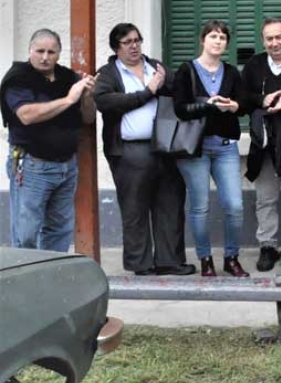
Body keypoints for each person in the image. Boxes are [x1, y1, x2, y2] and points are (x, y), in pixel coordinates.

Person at [93, 23, 193, 275]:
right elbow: (105, 101)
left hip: (164, 146)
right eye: (127, 42)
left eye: (137, 40)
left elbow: (179, 93)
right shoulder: (108, 73)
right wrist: (148, 92)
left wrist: (170, 85)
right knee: (135, 208)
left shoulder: (155, 67)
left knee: (171, 203)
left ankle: (169, 261)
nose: (134, 45)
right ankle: (141, 264)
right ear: (116, 47)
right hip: (129, 151)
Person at [1, 29, 95, 251]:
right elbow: (27, 115)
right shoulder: (18, 78)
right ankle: (24, 281)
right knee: (26, 234)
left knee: (60, 230)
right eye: (40, 51)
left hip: (66, 166)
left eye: (51, 52)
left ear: (59, 54)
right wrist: (69, 99)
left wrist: (88, 98)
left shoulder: (68, 77)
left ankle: (52, 278)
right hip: (32, 165)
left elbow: (88, 118)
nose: (45, 57)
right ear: (29, 51)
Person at [173, 20, 248, 278]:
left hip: (226, 147)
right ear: (203, 40)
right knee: (200, 207)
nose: (218, 41)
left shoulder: (231, 72)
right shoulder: (187, 70)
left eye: (223, 37)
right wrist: (209, 104)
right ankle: (205, 259)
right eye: (213, 36)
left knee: (235, 206)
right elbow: (180, 108)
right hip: (196, 148)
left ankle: (231, 257)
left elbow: (244, 104)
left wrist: (234, 107)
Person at [241, 18, 281, 272]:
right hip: (265, 143)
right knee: (266, 198)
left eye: (279, 37)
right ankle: (268, 246)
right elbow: (243, 99)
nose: (275, 43)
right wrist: (262, 99)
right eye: (269, 38)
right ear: (263, 41)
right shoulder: (254, 65)